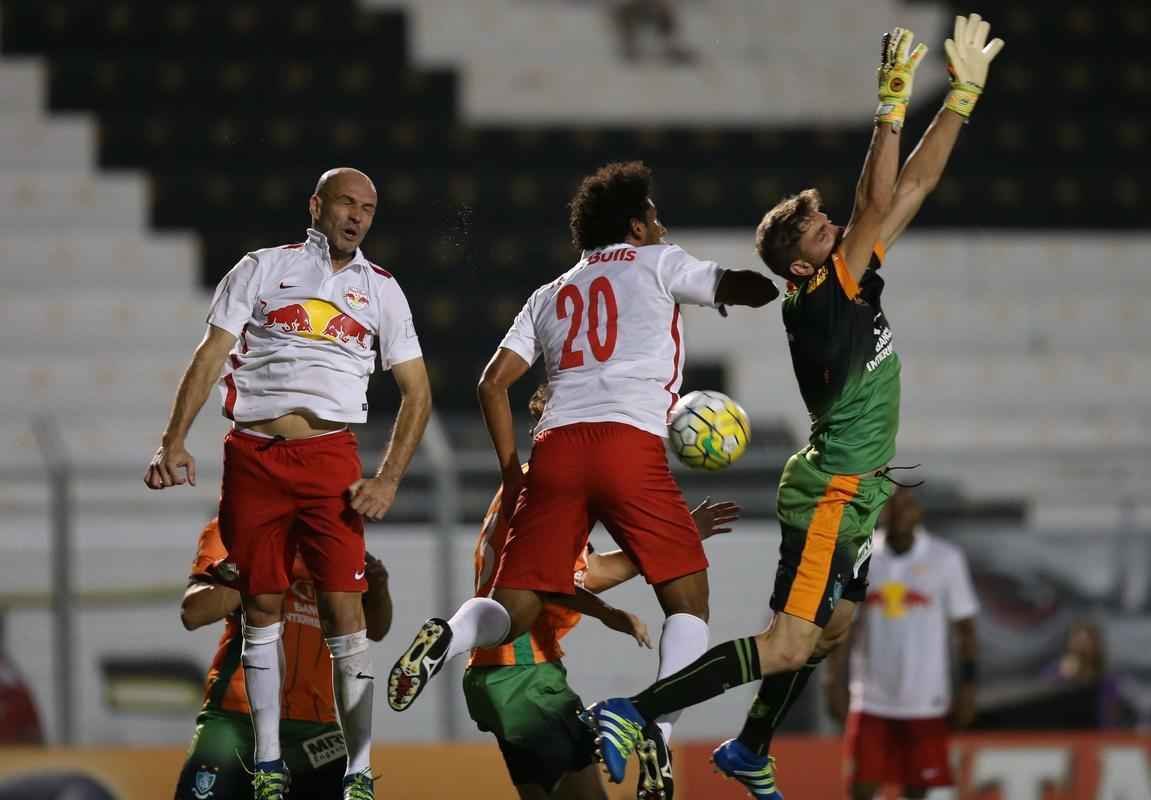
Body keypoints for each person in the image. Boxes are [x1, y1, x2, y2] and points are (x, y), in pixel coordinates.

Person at [583, 15, 1005, 799]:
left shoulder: (847, 281)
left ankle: (748, 748)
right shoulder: (818, 298)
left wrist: (964, 97)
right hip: (834, 494)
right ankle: (632, 710)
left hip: (854, 489)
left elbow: (911, 186)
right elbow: (877, 190)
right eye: (817, 226)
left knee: (834, 628)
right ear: (800, 261)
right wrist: (890, 100)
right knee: (785, 645)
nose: (832, 224)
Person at [387, 159, 779, 800]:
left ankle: (447, 636)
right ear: (635, 223)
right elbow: (747, 287)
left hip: (557, 448)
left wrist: (514, 472)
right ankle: (656, 728)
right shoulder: (659, 261)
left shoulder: (548, 294)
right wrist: (758, 287)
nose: (661, 222)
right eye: (653, 214)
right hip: (629, 444)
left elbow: (492, 385)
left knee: (512, 612)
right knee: (689, 605)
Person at [145, 167, 432, 800]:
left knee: (344, 611)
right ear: (317, 205)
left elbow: (418, 391)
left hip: (329, 457)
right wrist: (173, 439)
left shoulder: (383, 290)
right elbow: (211, 354)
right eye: (346, 203)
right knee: (264, 603)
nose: (357, 216)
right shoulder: (261, 268)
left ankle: (359, 768)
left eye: (368, 208)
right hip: (253, 454)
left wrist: (386, 478)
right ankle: (269, 760)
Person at [464, 385, 741, 800]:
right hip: (525, 669)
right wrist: (609, 612)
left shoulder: (530, 486)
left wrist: (676, 538)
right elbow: (559, 582)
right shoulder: (547, 492)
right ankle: (648, 729)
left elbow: (586, 570)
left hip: (492, 671)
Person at [174, 517, 393, 800]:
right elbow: (193, 613)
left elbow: (375, 630)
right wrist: (263, 564)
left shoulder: (338, 542)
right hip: (237, 719)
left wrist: (379, 587)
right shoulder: (233, 527)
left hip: (315, 731)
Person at [822, 488, 978, 800]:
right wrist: (832, 682)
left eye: (908, 505)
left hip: (926, 698)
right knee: (862, 789)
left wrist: (969, 688)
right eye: (893, 505)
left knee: (917, 790)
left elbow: (966, 630)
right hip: (871, 698)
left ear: (919, 512)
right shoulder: (861, 556)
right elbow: (841, 627)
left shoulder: (945, 558)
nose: (901, 512)